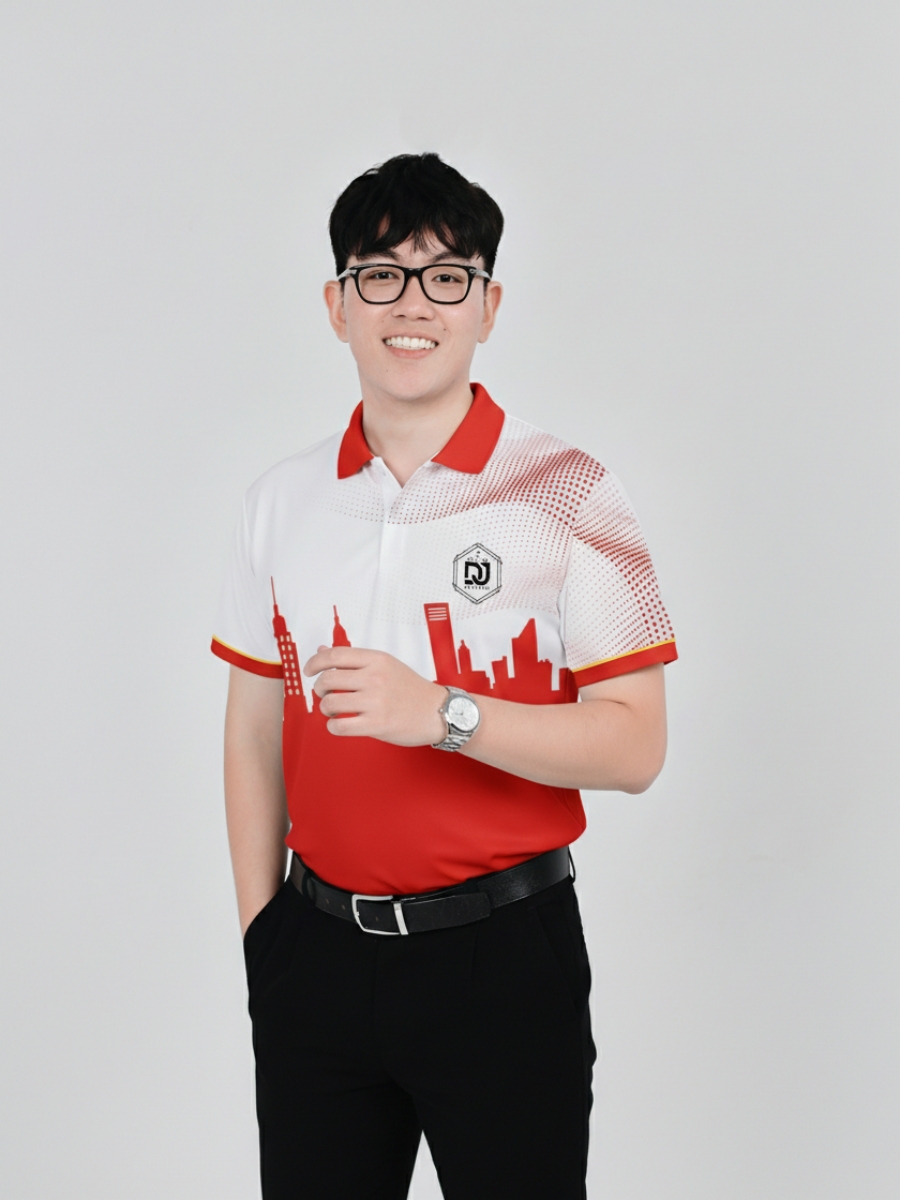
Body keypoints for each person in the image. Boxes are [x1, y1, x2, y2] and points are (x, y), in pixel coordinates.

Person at [211, 152, 677, 1200]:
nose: (412, 304)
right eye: (381, 274)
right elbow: (249, 730)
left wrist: (442, 714)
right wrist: (263, 937)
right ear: (337, 305)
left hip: (501, 956)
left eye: (446, 276)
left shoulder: (571, 491)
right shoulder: (278, 501)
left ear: (488, 306)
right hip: (316, 956)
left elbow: (637, 745)